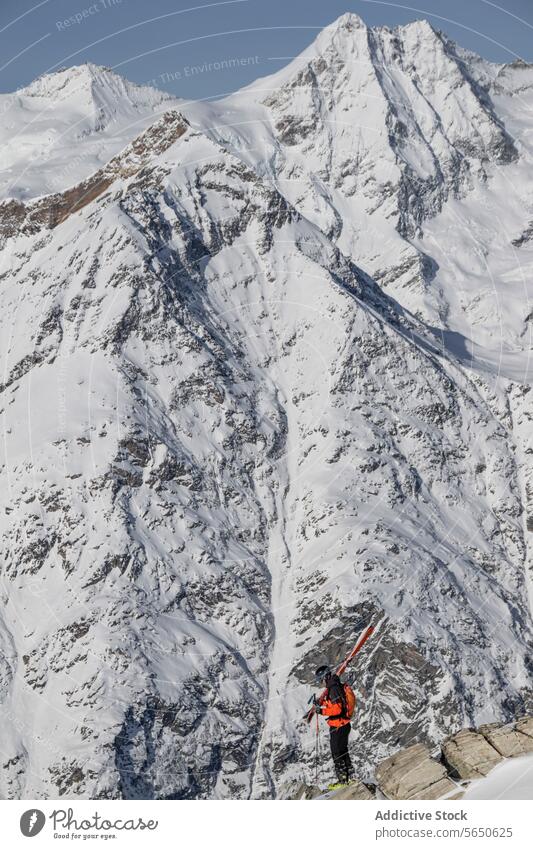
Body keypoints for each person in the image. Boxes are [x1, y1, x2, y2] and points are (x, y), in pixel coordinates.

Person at [314, 664, 354, 787]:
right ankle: (349, 778)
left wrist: (321, 711)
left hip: (338, 725)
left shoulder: (333, 688)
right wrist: (323, 703)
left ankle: (343, 781)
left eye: (321, 680)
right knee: (343, 751)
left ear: (325, 677)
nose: (321, 682)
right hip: (343, 724)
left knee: (337, 753)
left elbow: (337, 709)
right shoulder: (335, 686)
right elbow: (335, 702)